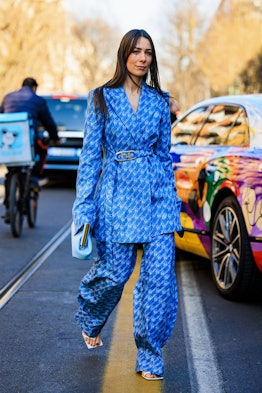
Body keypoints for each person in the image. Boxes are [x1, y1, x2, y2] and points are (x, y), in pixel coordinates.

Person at [72, 29, 182, 381]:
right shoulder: (101, 98)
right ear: (124, 55)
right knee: (114, 274)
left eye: (148, 52)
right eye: (136, 51)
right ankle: (92, 316)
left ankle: (150, 356)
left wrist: (172, 201)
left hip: (157, 197)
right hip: (117, 197)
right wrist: (84, 209)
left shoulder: (160, 101)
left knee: (159, 280)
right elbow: (90, 158)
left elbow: (165, 157)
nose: (142, 58)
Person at [0, 77, 59, 222]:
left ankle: (8, 205)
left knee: (11, 171)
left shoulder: (8, 97)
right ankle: (33, 178)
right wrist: (54, 138)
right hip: (28, 142)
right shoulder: (37, 100)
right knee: (42, 149)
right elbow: (48, 122)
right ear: (34, 88)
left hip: (8, 143)